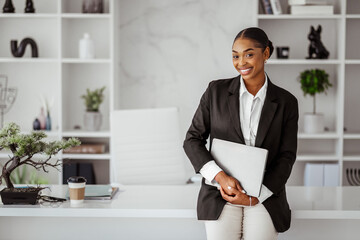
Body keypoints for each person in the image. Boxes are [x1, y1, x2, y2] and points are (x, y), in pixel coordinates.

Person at [183, 27, 298, 240]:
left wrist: (257, 196)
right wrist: (220, 177)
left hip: (265, 194)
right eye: (235, 56)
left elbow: (287, 156)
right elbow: (192, 140)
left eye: (249, 54)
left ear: (266, 53)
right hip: (221, 192)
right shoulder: (214, 92)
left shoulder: (286, 102)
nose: (241, 62)